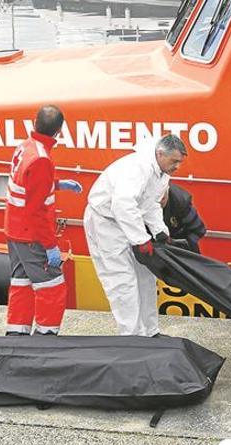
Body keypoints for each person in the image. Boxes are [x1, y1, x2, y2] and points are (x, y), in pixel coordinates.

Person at [84, 134, 188, 336]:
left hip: (130, 221)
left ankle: (149, 331)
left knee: (146, 277)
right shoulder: (137, 168)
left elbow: (150, 204)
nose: (177, 167)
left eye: (180, 162)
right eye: (174, 161)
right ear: (160, 154)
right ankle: (131, 335)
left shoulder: (161, 173)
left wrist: (160, 232)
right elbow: (122, 204)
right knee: (122, 280)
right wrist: (141, 239)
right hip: (106, 223)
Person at [4, 105, 83, 336]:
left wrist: (56, 184)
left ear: (34, 122)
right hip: (31, 236)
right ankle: (45, 337)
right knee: (52, 285)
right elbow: (36, 210)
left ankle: (16, 334)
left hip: (15, 230)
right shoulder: (41, 159)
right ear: (59, 131)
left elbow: (26, 184)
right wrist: (50, 246)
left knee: (22, 281)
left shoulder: (24, 147)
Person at [160, 183, 207, 254]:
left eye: (162, 199)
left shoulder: (181, 201)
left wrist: (181, 245)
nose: (159, 202)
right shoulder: (140, 201)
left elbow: (198, 229)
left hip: (182, 247)